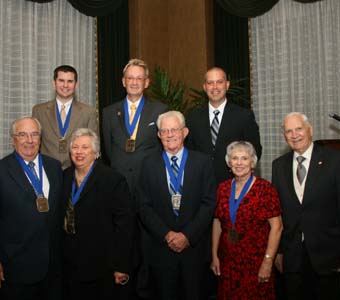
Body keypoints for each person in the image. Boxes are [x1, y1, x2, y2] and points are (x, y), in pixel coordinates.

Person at [271, 112, 340, 300]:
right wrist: (278, 251)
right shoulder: (278, 166)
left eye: (299, 129)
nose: (294, 135)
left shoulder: (336, 160)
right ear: (284, 136)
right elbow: (277, 212)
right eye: (289, 131)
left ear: (310, 130)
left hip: (329, 254)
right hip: (293, 256)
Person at [101, 58, 167, 299]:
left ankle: (146, 289)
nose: (135, 82)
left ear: (147, 82)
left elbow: (163, 147)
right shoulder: (109, 112)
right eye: (131, 78)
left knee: (148, 240)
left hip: (148, 185)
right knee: (122, 238)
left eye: (140, 78)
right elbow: (109, 150)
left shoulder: (159, 110)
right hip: (118, 187)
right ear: (123, 81)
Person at [0, 116, 63, 300]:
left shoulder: (54, 167)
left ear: (40, 139)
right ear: (13, 139)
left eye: (34, 134)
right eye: (23, 135)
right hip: (16, 267)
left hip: (52, 265)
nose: (29, 140)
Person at [138, 110, 216, 300]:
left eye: (174, 129)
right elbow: (143, 205)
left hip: (194, 250)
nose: (170, 134)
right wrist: (167, 234)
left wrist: (187, 235)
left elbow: (209, 203)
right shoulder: (148, 164)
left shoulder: (203, 162)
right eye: (164, 131)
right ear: (158, 135)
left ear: (185, 132)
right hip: (161, 250)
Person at [62, 128, 133, 300]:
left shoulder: (113, 180)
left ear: (96, 153)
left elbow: (125, 226)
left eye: (85, 147)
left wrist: (121, 266)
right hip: (70, 263)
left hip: (102, 265)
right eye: (75, 147)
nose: (79, 152)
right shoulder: (64, 176)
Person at [210, 141, 283, 299]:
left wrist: (268, 262)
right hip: (228, 261)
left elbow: (277, 228)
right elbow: (217, 222)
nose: (239, 163)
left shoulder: (265, 189)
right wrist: (214, 255)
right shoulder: (222, 189)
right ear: (229, 163)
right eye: (234, 158)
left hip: (256, 263)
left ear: (252, 162)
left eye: (244, 158)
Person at [186, 67, 262, 184]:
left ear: (227, 85)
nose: (215, 87)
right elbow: (189, 151)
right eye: (210, 83)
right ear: (204, 87)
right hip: (201, 184)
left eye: (219, 82)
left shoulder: (243, 116)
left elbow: (255, 150)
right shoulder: (193, 117)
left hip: (235, 185)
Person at [32, 65, 97, 169]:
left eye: (70, 81)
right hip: (47, 169)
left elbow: (94, 148)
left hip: (77, 170)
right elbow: (34, 144)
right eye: (61, 80)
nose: (65, 85)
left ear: (76, 84)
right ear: (54, 83)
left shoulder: (89, 112)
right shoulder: (39, 110)